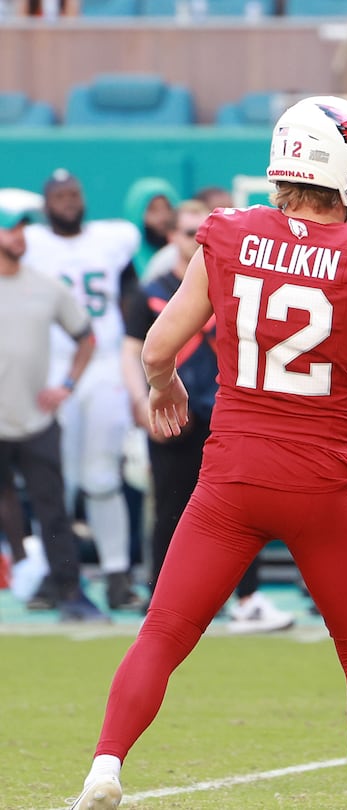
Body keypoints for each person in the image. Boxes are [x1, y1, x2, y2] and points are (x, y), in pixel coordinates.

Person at [65, 95, 347, 810]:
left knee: (163, 631)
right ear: (346, 170)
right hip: (320, 480)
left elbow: (159, 347)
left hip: (232, 474)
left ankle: (105, 763)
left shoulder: (227, 232)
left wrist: (163, 389)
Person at [120, 199, 294, 633]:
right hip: (175, 406)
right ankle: (162, 595)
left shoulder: (235, 279)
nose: (193, 238)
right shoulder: (153, 288)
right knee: (171, 506)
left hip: (227, 407)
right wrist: (141, 400)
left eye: (200, 230)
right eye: (185, 231)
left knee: (243, 506)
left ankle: (247, 598)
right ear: (171, 236)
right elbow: (132, 348)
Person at [25, 169, 145, 613]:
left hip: (104, 365)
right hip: (52, 366)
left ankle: (116, 575)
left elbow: (129, 295)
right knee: (57, 479)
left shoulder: (111, 239)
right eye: (60, 196)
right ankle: (55, 574)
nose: (69, 202)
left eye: (74, 194)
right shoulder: (32, 243)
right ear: (45, 202)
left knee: (101, 476)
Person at [0, 188, 106, 624]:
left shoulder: (45, 287)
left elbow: (87, 337)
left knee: (54, 511)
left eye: (24, 226)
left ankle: (71, 593)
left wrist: (65, 384)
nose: (20, 235)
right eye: (11, 227)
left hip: (37, 421)